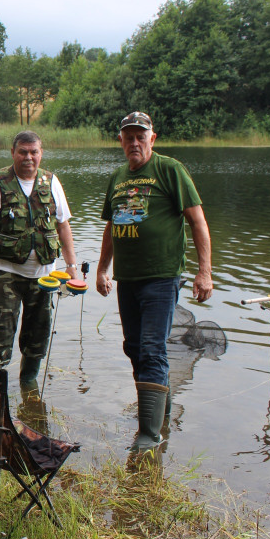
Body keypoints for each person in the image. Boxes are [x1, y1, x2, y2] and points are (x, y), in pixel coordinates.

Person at [95, 111, 213, 452]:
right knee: (134, 347)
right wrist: (103, 269)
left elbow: (198, 221)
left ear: (152, 138)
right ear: (120, 141)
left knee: (151, 347)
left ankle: (149, 435)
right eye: (128, 136)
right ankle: (160, 412)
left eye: (140, 136)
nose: (134, 142)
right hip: (127, 278)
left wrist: (204, 271)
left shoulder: (170, 170)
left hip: (161, 277)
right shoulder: (117, 177)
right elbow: (111, 227)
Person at [0, 131, 78, 394]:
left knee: (37, 339)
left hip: (45, 277)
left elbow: (63, 225)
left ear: (41, 153)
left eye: (34, 152)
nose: (28, 157)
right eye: (23, 152)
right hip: (4, 275)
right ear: (13, 153)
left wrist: (71, 266)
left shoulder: (52, 182)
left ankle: (29, 390)